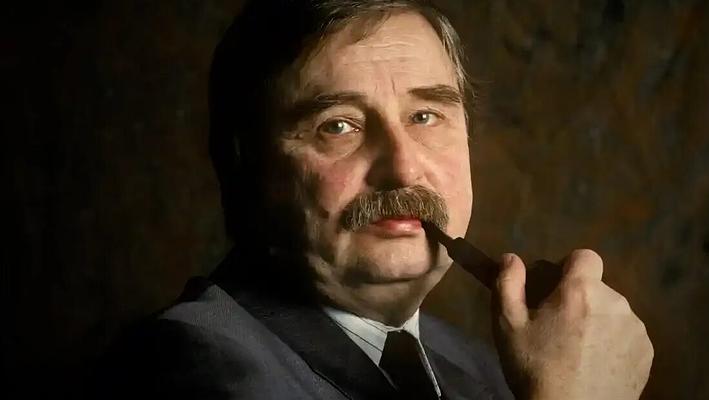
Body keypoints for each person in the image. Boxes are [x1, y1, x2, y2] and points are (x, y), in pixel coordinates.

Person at [96, 1, 653, 399]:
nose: (405, 169)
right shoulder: (188, 368)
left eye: (425, 116)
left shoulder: (484, 370)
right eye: (339, 126)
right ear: (245, 163)